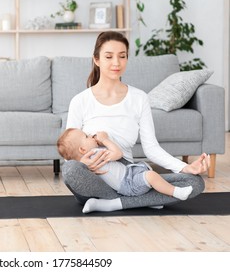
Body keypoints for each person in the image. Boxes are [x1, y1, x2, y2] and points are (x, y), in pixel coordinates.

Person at [62, 31, 208, 212]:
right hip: (95, 181)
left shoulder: (139, 98)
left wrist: (185, 167)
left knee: (195, 182)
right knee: (70, 170)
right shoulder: (80, 101)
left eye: (122, 56)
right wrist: (84, 163)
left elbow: (152, 149)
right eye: (109, 56)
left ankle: (114, 203)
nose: (116, 62)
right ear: (97, 60)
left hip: (130, 176)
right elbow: (70, 149)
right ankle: (143, 199)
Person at [57, 128, 194, 212]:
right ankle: (176, 192)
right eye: (86, 136)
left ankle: (150, 202)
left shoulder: (93, 155)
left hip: (130, 174)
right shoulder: (96, 154)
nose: (91, 135)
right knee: (151, 176)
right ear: (82, 149)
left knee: (152, 175)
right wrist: (105, 140)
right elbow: (118, 154)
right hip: (128, 183)